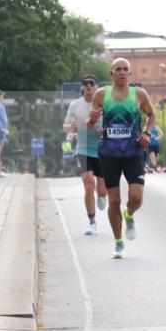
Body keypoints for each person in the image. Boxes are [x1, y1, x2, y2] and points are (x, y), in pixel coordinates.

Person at [87, 59, 156, 258]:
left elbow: (152, 116)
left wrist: (146, 133)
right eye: (118, 69)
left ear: (130, 73)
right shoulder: (101, 94)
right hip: (109, 154)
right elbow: (89, 125)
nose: (122, 72)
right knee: (114, 200)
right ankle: (118, 242)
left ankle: (130, 214)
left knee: (136, 197)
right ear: (112, 73)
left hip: (133, 152)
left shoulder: (139, 94)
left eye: (126, 69)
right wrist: (91, 119)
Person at [64, 75, 109, 235]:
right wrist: (72, 125)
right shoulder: (75, 105)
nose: (88, 86)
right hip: (82, 149)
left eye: (92, 83)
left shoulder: (105, 103)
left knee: (102, 191)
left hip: (102, 150)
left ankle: (102, 195)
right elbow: (65, 126)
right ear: (82, 87)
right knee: (88, 183)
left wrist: (104, 131)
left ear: (97, 87)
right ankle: (92, 222)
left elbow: (112, 124)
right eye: (85, 84)